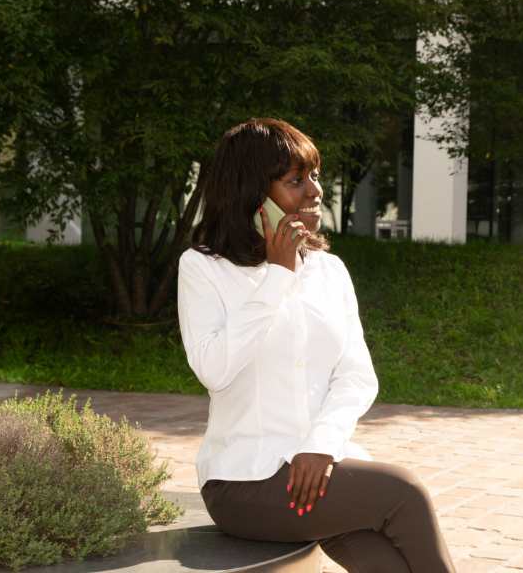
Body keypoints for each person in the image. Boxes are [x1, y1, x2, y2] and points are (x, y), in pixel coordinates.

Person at [176, 118, 457, 572]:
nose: (315, 190)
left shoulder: (328, 271)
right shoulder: (203, 269)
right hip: (245, 481)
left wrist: (321, 445)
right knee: (405, 493)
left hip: (320, 471)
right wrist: (277, 274)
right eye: (295, 180)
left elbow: (355, 376)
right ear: (252, 193)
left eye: (315, 175)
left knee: (388, 565)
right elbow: (214, 369)